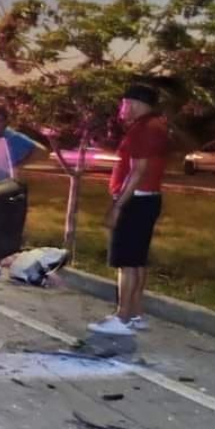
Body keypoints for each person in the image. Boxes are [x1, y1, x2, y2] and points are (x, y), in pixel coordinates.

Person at [88, 84, 168, 336]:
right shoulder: (157, 124)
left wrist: (116, 206)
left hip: (136, 201)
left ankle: (122, 317)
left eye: (123, 103)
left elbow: (137, 171)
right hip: (149, 199)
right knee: (137, 261)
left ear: (133, 103)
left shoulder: (143, 129)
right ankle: (136, 314)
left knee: (126, 263)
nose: (121, 108)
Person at [0, 105, 47, 278]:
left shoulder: (12, 137)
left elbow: (41, 152)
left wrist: (19, 164)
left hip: (2, 187)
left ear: (5, 122)